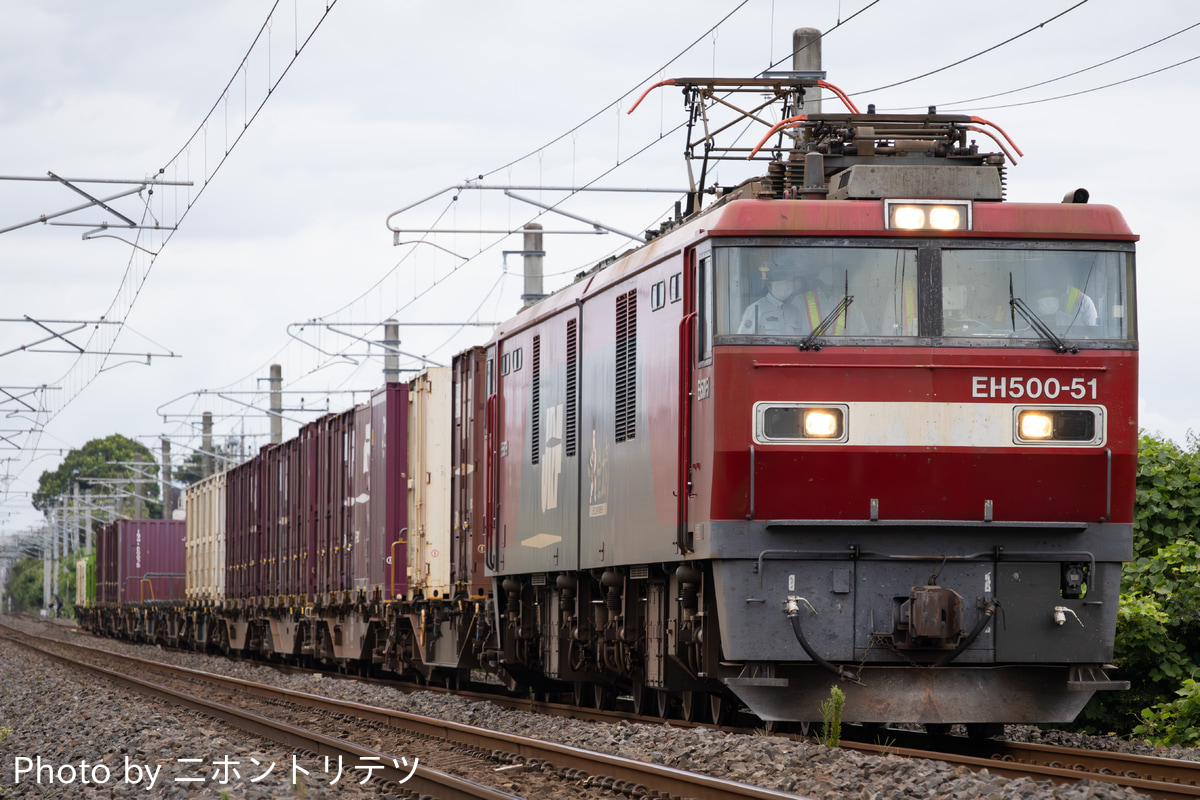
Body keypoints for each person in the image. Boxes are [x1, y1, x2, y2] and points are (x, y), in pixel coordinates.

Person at [738, 275, 805, 334]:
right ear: (769, 285)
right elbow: (743, 341)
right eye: (781, 280)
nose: (786, 284)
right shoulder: (756, 309)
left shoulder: (794, 311)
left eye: (789, 281)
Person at [1033, 285, 1098, 328]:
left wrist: (1056, 318)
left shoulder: (1083, 301)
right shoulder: (1028, 308)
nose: (1048, 298)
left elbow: (1091, 330)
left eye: (1054, 293)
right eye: (1043, 295)